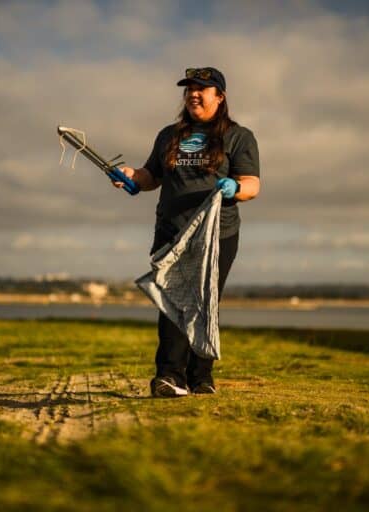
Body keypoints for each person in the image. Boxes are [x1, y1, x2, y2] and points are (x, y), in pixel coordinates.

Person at [113, 67, 260, 398]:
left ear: (219, 97)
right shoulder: (169, 135)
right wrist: (131, 176)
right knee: (170, 301)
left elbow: (252, 184)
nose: (193, 94)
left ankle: (201, 378)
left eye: (201, 89)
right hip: (171, 231)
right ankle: (168, 377)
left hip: (217, 234)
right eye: (189, 89)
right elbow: (151, 176)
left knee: (205, 301)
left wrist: (235, 187)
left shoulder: (238, 137)